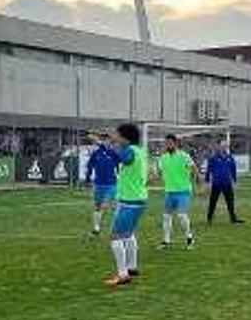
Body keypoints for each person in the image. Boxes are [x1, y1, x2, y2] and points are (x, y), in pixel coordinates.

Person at [105, 123, 149, 287]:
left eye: (117, 134)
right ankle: (132, 267)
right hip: (139, 200)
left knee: (115, 237)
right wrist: (112, 144)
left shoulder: (130, 151)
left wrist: (110, 145)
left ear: (125, 137)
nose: (115, 136)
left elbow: (124, 158)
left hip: (130, 202)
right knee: (128, 234)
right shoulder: (139, 151)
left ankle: (123, 275)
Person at [157, 134, 198, 250]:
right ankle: (166, 240)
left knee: (181, 215)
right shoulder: (163, 158)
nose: (168, 145)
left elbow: (194, 169)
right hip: (170, 192)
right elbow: (158, 173)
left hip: (183, 191)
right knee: (166, 216)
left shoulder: (183, 156)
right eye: (166, 143)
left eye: (170, 143)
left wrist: (197, 183)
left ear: (175, 143)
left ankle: (189, 238)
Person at [85, 132, 120, 235]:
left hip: (112, 184)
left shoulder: (112, 153)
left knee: (112, 205)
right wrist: (88, 177)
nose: (106, 142)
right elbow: (90, 166)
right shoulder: (96, 153)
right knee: (98, 205)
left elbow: (120, 163)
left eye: (107, 140)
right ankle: (96, 228)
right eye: (103, 139)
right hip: (99, 184)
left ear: (110, 141)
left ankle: (116, 227)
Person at [206, 140, 243, 224]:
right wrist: (207, 180)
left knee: (230, 201)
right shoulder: (214, 157)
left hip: (227, 183)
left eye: (225, 146)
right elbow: (209, 169)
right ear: (218, 147)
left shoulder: (230, 157)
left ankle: (233, 218)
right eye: (222, 146)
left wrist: (234, 179)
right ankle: (209, 218)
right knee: (213, 201)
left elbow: (233, 169)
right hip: (216, 183)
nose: (224, 147)